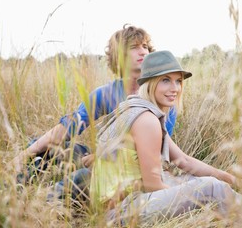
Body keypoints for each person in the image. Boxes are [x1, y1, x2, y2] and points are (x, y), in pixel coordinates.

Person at [90, 50, 242, 226]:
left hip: (124, 202)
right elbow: (153, 185)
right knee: (210, 188)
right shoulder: (146, 120)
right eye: (165, 80)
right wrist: (194, 200)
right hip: (121, 213)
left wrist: (232, 180)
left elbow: (183, 160)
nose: (174, 88)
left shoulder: (136, 109)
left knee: (197, 182)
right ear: (150, 83)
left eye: (178, 81)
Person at [11, 25, 178, 200]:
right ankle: (9, 189)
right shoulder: (106, 93)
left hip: (129, 172)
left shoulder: (163, 95)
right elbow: (69, 127)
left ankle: (42, 204)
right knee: (46, 147)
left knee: (82, 177)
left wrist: (102, 156)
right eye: (134, 47)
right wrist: (23, 155)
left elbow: (154, 151)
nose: (143, 52)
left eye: (145, 46)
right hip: (100, 159)